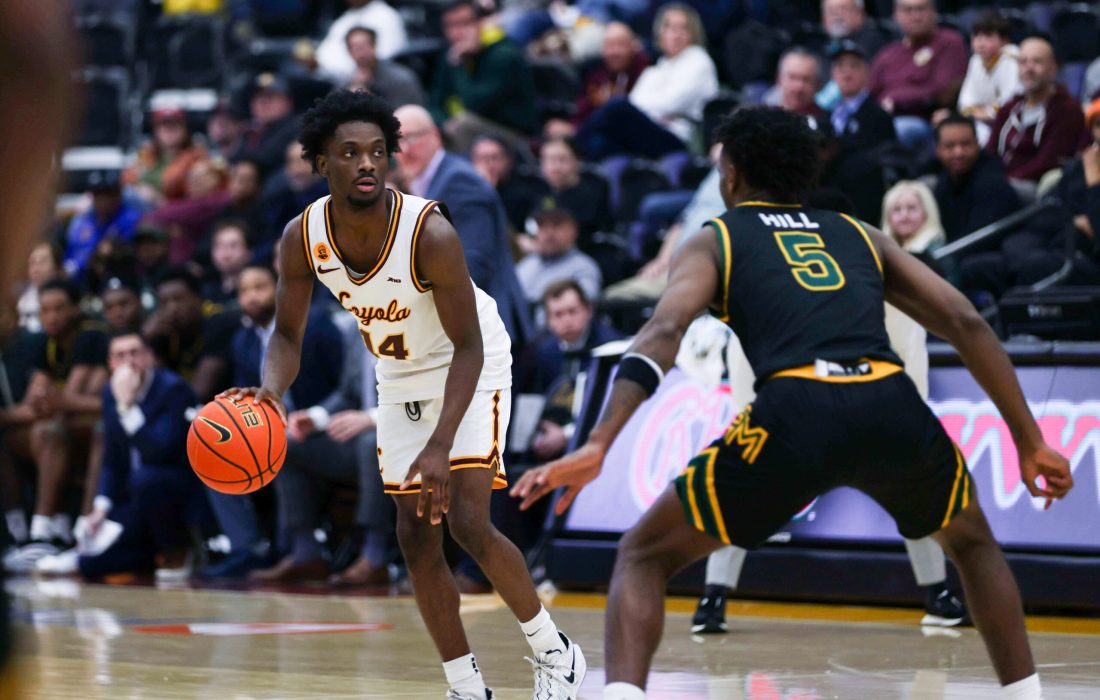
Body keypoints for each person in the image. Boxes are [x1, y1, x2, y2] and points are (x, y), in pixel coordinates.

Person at [513, 106, 1072, 700]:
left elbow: (662, 331)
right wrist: (1030, 441)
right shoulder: (858, 231)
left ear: (731, 175)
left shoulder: (717, 238)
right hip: (888, 398)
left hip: (797, 406)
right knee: (975, 544)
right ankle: (1024, 695)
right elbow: (966, 321)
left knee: (642, 555)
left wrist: (599, 441)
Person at [224, 89, 585, 700]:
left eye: (377, 152)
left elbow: (468, 345)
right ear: (321, 163)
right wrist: (270, 392)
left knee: (468, 521)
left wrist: (441, 445)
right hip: (398, 372)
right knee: (414, 534)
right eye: (349, 153)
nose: (366, 163)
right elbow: (286, 333)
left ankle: (556, 652)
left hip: (469, 359)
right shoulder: (300, 236)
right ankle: (466, 685)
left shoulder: (429, 232)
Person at [394, 104, 531, 347]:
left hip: (484, 332)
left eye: (411, 138)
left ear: (435, 136)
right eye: (396, 141)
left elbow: (474, 264)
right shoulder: (423, 185)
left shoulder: (459, 181)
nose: (404, 149)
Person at [76, 332, 206, 580]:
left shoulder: (173, 388)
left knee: (146, 479)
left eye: (134, 353)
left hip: (174, 490)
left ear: (149, 357)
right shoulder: (109, 392)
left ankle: (179, 549)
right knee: (89, 564)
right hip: (135, 497)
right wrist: (100, 508)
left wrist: (127, 407)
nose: (128, 361)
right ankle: (151, 553)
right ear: (110, 363)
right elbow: (112, 458)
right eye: (120, 355)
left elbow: (159, 450)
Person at [2, 278, 109, 571]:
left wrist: (50, 403)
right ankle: (20, 531)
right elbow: (36, 403)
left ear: (76, 309)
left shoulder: (92, 336)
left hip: (97, 427)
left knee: (49, 431)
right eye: (45, 310)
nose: (51, 316)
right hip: (65, 427)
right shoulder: (42, 343)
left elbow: (66, 402)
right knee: (12, 436)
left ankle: (44, 531)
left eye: (59, 308)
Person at [576, 3, 717, 160]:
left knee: (617, 107)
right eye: (670, 28)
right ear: (660, 33)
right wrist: (654, 113)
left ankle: (573, 144)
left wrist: (647, 112)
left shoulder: (698, 59)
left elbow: (670, 102)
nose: (676, 35)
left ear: (693, 33)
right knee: (603, 143)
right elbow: (636, 102)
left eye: (683, 29)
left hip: (680, 138)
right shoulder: (656, 68)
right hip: (655, 130)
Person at [428, 0, 537, 155]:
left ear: (481, 23)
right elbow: (435, 103)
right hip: (468, 130)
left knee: (463, 125)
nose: (457, 33)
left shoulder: (503, 55)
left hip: (514, 137)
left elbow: (473, 104)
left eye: (464, 24)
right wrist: (443, 123)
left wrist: (460, 65)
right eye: (450, 26)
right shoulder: (450, 55)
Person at [988, 36, 1085, 187]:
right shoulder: (1008, 108)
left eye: (1037, 61)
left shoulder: (1067, 110)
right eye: (1023, 62)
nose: (1029, 68)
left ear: (1053, 69)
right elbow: (990, 152)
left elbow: (1048, 162)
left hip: (1035, 187)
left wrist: (1002, 182)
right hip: (1001, 183)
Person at [868, 0, 966, 145]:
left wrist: (898, 103)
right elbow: (869, 92)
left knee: (899, 129)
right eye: (908, 10)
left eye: (921, 9)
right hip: (884, 118)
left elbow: (945, 91)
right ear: (896, 16)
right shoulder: (887, 53)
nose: (915, 16)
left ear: (934, 12)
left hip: (925, 121)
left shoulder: (949, 42)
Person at [143, 266, 238, 402]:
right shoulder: (163, 329)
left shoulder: (220, 321)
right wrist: (146, 340)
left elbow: (198, 394)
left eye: (178, 299)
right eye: (164, 302)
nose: (171, 308)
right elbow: (152, 388)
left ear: (198, 298)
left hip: (226, 409)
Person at [933, 113, 1022, 243]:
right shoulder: (944, 181)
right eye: (950, 146)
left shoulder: (993, 182)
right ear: (938, 150)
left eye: (965, 144)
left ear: (977, 144)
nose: (959, 153)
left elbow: (979, 241)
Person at [515, 206, 603, 316]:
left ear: (574, 230)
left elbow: (581, 316)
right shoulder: (524, 266)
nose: (549, 233)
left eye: (557, 224)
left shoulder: (584, 267)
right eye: (542, 225)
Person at [952, 11, 1021, 144]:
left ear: (1004, 40)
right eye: (977, 36)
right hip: (982, 121)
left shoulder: (1012, 59)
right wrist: (977, 113)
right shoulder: (976, 61)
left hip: (1011, 122)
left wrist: (984, 112)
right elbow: (965, 101)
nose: (981, 43)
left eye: (988, 36)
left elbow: (1011, 101)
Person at [315, 0, 408, 83]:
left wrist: (355, 72)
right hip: (334, 81)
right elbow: (324, 53)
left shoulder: (387, 16)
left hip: (378, 81)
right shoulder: (345, 18)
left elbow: (386, 56)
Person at [575, 22, 649, 125]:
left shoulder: (645, 73)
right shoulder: (596, 75)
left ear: (633, 46)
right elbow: (581, 112)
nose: (615, 52)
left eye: (621, 44)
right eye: (610, 45)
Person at [344, 26, 424, 107]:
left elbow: (407, 115)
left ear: (374, 46)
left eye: (363, 47)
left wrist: (367, 98)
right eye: (355, 48)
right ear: (349, 52)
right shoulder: (347, 82)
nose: (361, 54)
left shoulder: (400, 80)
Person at [202, 220, 254, 305]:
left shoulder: (255, 294)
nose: (225, 251)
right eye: (219, 245)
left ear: (248, 253)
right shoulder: (205, 292)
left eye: (233, 245)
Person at [767, 48, 826, 119]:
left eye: (806, 80)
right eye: (792, 77)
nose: (798, 87)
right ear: (779, 79)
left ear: (817, 85)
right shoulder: (762, 119)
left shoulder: (827, 124)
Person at [17, 243, 61, 334]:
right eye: (32, 263)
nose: (35, 270)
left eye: (42, 262)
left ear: (56, 267)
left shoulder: (66, 296)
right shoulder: (24, 300)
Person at [821, 0, 887, 60]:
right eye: (831, 11)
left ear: (859, 13)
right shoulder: (818, 42)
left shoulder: (873, 40)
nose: (837, 16)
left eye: (843, 9)